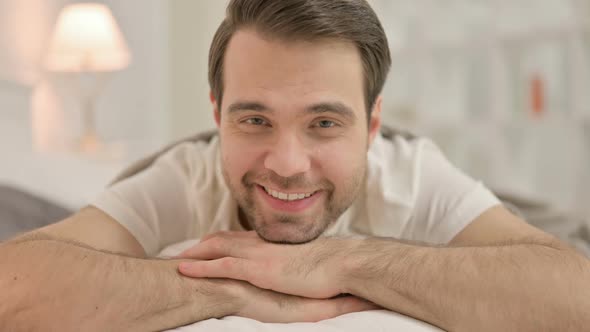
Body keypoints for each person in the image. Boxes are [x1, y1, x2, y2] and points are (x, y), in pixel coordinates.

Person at [1, 0, 588, 331]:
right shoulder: (186, 173)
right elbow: (14, 284)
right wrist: (235, 286)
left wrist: (335, 262)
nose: (285, 163)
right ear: (217, 113)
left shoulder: (410, 175)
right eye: (253, 120)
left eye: (325, 123)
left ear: (374, 125)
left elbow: (573, 294)